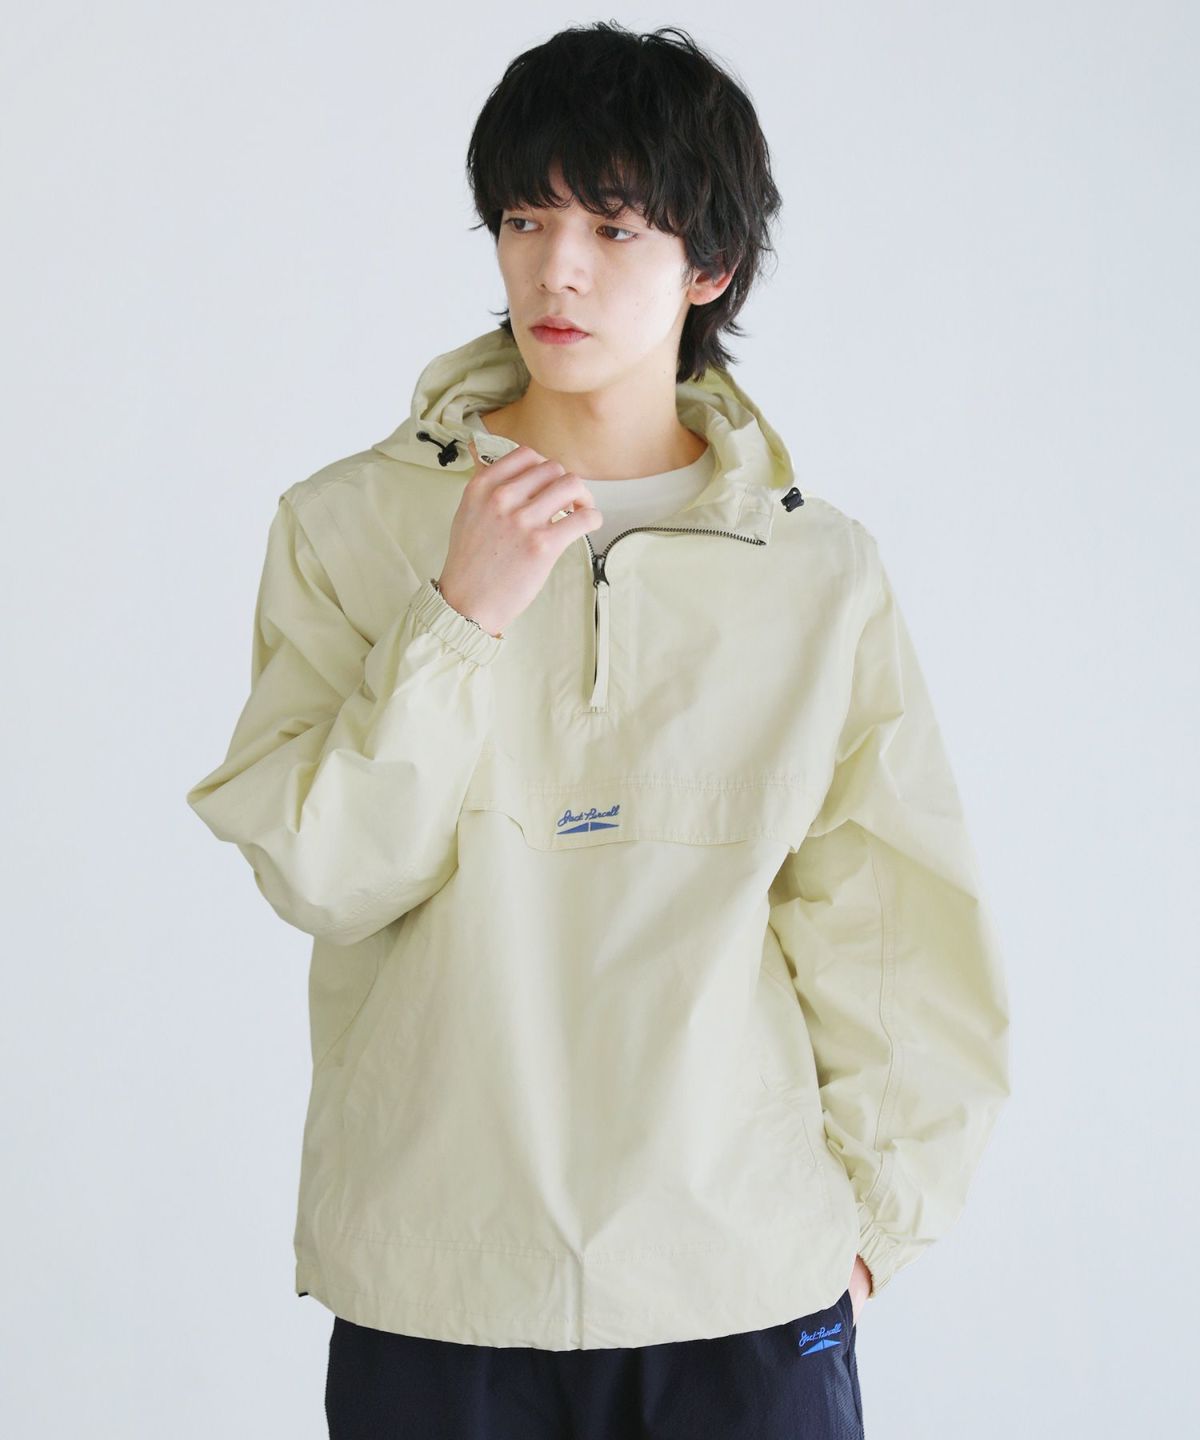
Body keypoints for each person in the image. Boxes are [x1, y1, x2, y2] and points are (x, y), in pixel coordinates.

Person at [185, 22, 1010, 1439]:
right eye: (525, 219)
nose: (555, 268)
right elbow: (327, 875)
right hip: (436, 1285)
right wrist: (460, 615)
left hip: (741, 1287)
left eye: (615, 227)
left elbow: (892, 927)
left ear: (710, 266)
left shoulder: (817, 571)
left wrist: (874, 1231)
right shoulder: (346, 524)